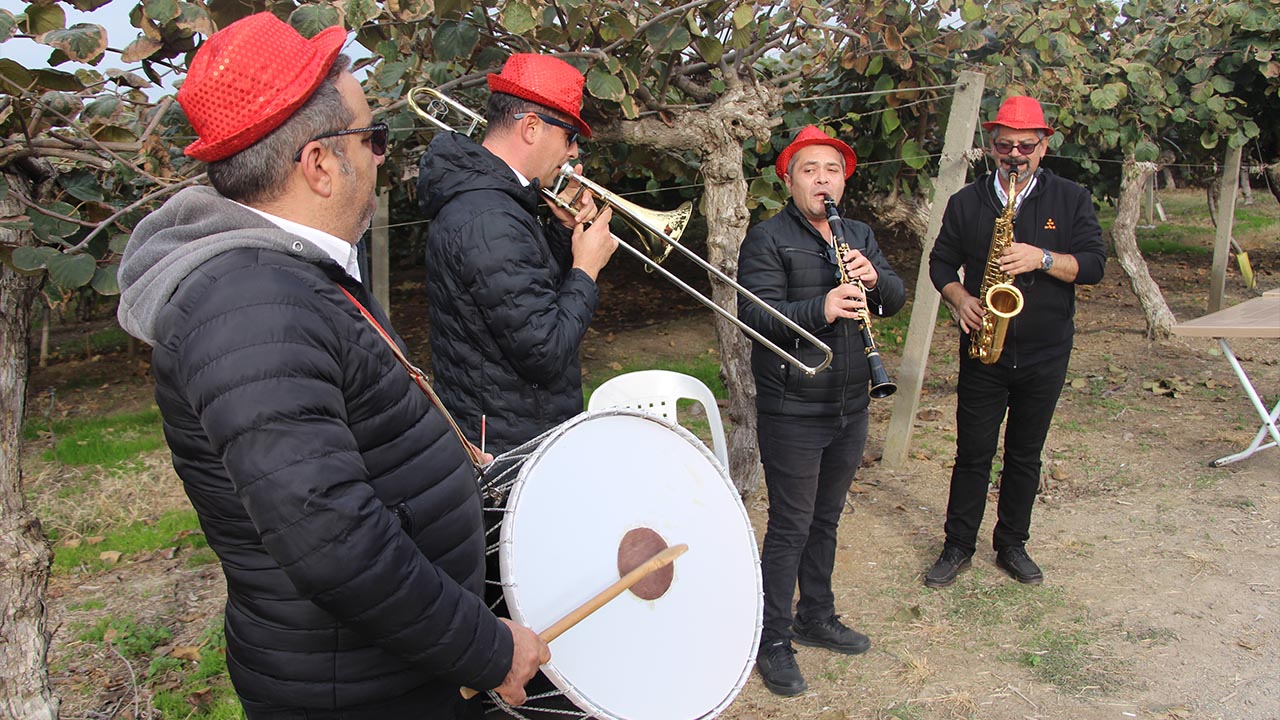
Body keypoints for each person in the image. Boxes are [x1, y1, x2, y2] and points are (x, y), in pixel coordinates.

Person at [114, 14, 547, 719]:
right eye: (372, 138)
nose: (382, 156)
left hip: (383, 667)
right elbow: (331, 539)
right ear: (318, 164)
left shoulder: (282, 278)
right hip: (361, 689)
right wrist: (485, 648)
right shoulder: (251, 305)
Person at [737, 126, 905, 697]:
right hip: (793, 405)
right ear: (790, 180)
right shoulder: (766, 239)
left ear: (843, 178)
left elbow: (894, 298)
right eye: (809, 170)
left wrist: (875, 277)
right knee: (791, 524)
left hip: (850, 402)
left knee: (827, 519)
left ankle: (816, 614)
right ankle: (772, 636)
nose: (822, 180)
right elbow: (755, 317)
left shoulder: (856, 232)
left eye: (831, 170)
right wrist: (823, 305)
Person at [924, 96, 1106, 589]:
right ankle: (958, 544)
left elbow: (1093, 265)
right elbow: (940, 263)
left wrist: (1042, 258)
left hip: (1047, 349)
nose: (1015, 155)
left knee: (1026, 452)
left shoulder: (1070, 198)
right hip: (984, 345)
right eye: (1005, 145)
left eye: (1027, 145)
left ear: (1044, 146)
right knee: (972, 452)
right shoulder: (968, 201)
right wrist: (960, 299)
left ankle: (1012, 544)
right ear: (992, 145)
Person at [417, 53, 617, 456]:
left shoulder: (500, 201)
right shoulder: (490, 216)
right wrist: (586, 269)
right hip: (509, 442)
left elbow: (530, 296)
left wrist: (562, 233)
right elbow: (545, 352)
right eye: (569, 137)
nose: (574, 153)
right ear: (530, 127)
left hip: (514, 422)